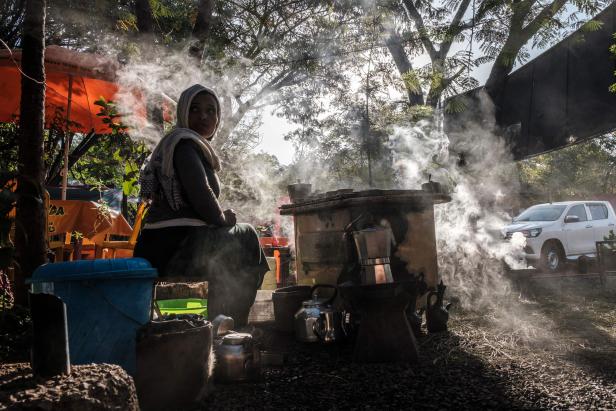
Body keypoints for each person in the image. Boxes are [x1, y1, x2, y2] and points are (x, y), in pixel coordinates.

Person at [134, 84, 269, 327]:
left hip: (164, 242)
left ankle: (218, 319)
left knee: (234, 245)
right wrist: (222, 218)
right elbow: (202, 195)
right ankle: (233, 323)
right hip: (177, 244)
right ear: (183, 113)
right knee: (248, 235)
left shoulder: (183, 144)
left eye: (211, 111)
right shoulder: (184, 144)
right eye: (195, 109)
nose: (204, 116)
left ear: (218, 118)